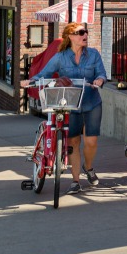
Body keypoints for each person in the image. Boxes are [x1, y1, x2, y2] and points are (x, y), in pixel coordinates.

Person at [35, 22, 108, 194]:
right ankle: (76, 181)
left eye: (86, 32)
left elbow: (101, 73)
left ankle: (88, 167)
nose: (85, 35)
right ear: (70, 36)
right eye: (80, 32)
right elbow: (44, 74)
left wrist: (99, 80)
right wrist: (31, 80)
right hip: (70, 104)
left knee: (91, 141)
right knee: (73, 142)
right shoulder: (60, 57)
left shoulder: (94, 55)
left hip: (92, 102)